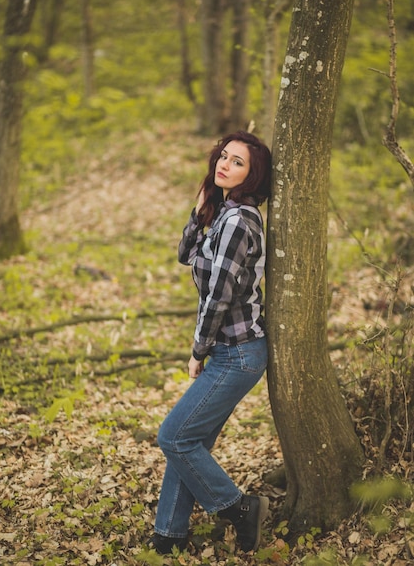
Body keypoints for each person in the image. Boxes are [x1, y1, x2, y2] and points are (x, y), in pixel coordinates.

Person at [149, 130, 272, 555]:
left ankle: (238, 508)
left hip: (238, 353)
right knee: (190, 440)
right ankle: (168, 535)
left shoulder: (239, 222)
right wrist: (202, 206)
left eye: (238, 162)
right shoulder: (223, 212)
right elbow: (186, 254)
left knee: (174, 437)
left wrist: (197, 349)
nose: (225, 164)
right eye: (223, 156)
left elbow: (218, 294)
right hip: (228, 350)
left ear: (253, 176)